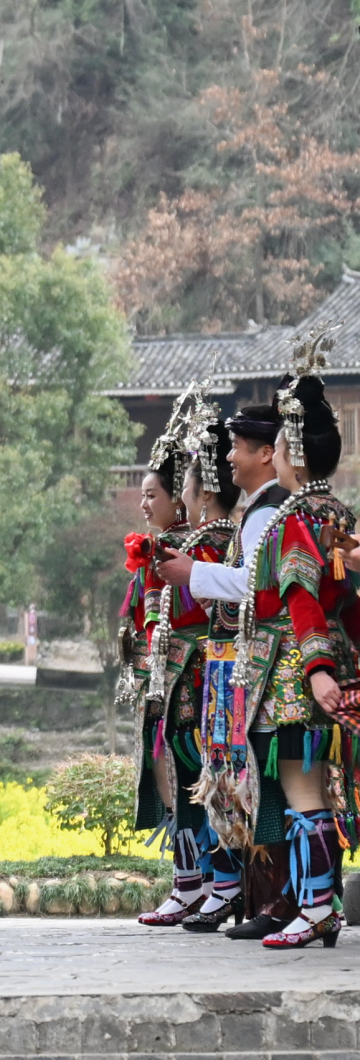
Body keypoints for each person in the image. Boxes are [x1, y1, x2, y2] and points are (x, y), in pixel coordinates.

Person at [160, 372, 353, 949]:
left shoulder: (292, 518)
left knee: (303, 795)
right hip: (333, 664)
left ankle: (315, 907)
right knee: (318, 792)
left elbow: (296, 596)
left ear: (287, 454)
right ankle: (318, 905)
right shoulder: (337, 512)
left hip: (294, 676)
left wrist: (315, 669)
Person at [123, 392, 238, 929]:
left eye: (156, 494)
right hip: (176, 677)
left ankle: (213, 881)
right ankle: (195, 881)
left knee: (196, 774)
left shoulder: (204, 546)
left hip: (195, 677)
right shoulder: (193, 545)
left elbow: (202, 611)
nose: (146, 505)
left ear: (194, 492)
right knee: (183, 773)